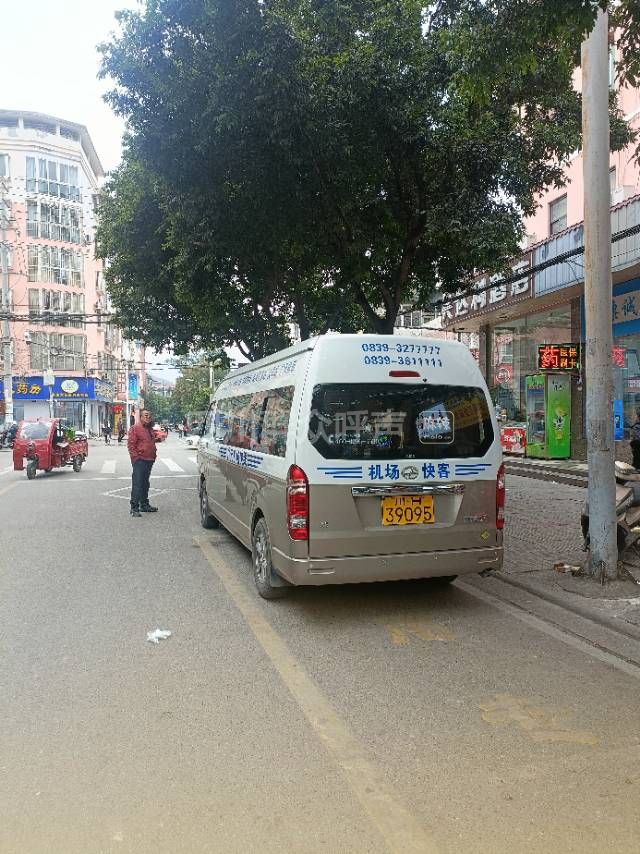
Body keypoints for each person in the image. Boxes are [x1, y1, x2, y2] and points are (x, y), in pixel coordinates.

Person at [127, 408, 160, 516]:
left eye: (149, 415)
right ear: (140, 417)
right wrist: (135, 458)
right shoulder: (135, 428)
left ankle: (144, 505)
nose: (148, 417)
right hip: (140, 460)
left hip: (149, 460)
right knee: (137, 484)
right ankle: (134, 508)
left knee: (145, 484)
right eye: (145, 415)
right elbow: (131, 445)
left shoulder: (149, 429)